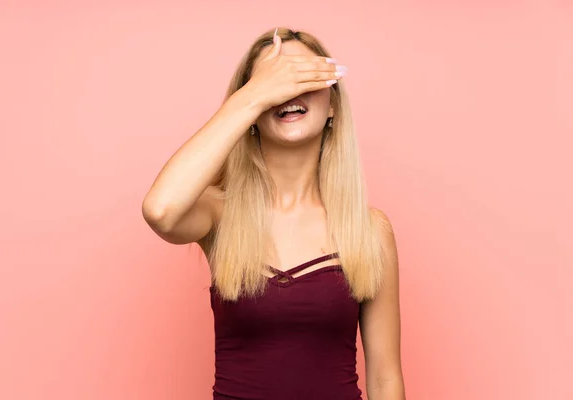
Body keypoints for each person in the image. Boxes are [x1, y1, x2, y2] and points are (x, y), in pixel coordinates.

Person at [142, 27, 405, 400]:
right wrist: (251, 98)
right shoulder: (219, 214)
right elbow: (160, 210)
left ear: (332, 105)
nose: (288, 91)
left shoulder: (370, 230)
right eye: (275, 81)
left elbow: (385, 379)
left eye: (303, 77)